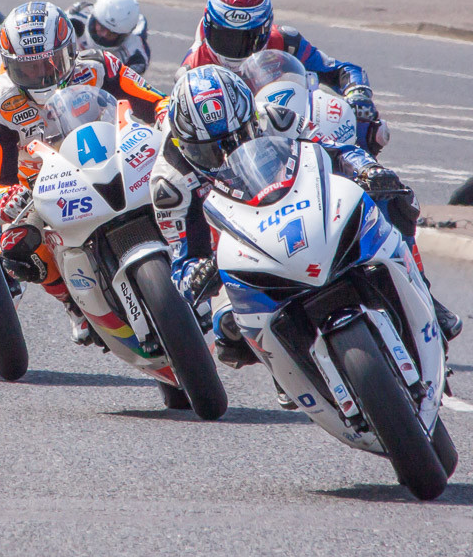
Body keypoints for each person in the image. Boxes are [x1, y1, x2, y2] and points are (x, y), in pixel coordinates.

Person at [154, 64, 461, 386]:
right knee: (228, 328)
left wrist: (368, 170)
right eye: (208, 151)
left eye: (235, 139)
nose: (224, 155)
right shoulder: (170, 182)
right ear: (183, 142)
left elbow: (337, 149)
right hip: (237, 255)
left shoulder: (272, 117)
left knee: (395, 200)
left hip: (298, 208)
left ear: (250, 120)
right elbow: (182, 264)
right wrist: (198, 275)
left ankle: (425, 298)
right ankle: (290, 376)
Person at [0, 1, 167, 343]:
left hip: (115, 157)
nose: (41, 75)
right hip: (45, 187)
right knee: (15, 248)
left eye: (49, 63)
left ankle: (189, 257)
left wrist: (168, 114)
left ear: (69, 51)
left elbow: (155, 100)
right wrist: (5, 198)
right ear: (8, 65)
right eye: (27, 68)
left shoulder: (98, 65)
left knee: (177, 181)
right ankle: (71, 302)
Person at [180, 0, 388, 156]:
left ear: (265, 29)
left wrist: (358, 94)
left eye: (246, 38)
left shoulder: (285, 40)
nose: (235, 48)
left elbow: (342, 70)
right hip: (238, 142)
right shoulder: (193, 69)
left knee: (369, 126)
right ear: (208, 27)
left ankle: (368, 178)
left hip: (293, 123)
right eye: (225, 36)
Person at [67, 0, 151, 74]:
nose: (103, 35)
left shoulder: (135, 54)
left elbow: (133, 79)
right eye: (102, 28)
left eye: (111, 34)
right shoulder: (75, 18)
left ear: (123, 36)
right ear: (94, 18)